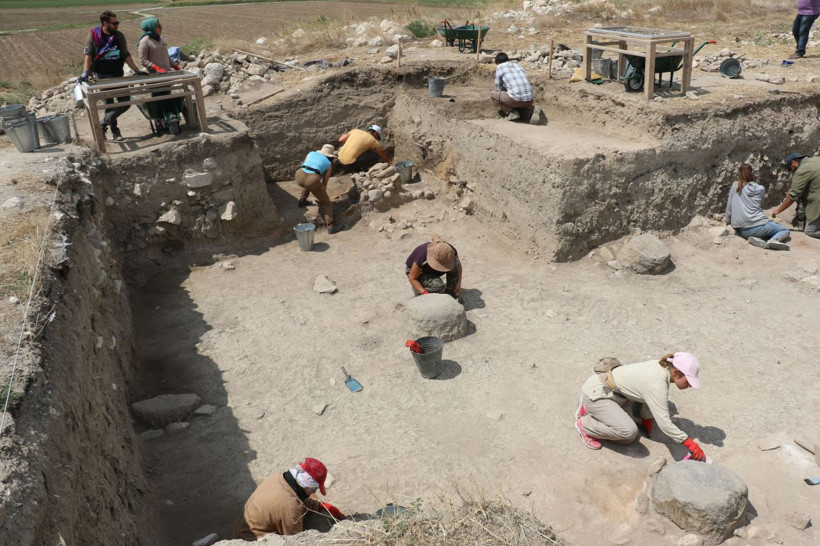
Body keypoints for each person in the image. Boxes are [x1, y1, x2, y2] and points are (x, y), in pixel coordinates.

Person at [574, 352, 707, 462]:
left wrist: (646, 419)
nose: (690, 385)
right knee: (629, 433)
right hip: (600, 393)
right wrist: (689, 443)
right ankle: (586, 424)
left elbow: (650, 397)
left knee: (628, 431)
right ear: (677, 373)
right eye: (688, 380)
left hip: (614, 392)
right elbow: (665, 423)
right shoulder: (657, 384)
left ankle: (593, 407)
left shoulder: (662, 367)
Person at [78, 10, 147, 141]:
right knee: (108, 104)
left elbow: (125, 54)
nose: (117, 25)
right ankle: (115, 132)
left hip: (117, 73)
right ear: (105, 23)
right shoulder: (93, 35)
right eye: (114, 23)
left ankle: (103, 123)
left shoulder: (119, 36)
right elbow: (88, 54)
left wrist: (136, 70)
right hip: (102, 75)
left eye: (118, 22)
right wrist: (86, 72)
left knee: (125, 102)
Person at [237, 458, 345, 540]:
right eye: (314, 489)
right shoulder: (290, 506)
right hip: (252, 540)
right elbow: (295, 540)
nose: (313, 493)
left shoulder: (278, 478)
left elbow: (298, 496)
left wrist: (320, 505)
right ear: (306, 485)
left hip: (243, 528)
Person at [724, 163, 791, 250]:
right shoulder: (760, 188)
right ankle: (773, 240)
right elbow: (758, 205)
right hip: (757, 226)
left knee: (762, 227)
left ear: (739, 173)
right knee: (784, 230)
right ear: (752, 173)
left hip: (743, 230)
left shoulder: (735, 185)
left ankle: (755, 238)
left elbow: (729, 207)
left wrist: (728, 221)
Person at [137, 18, 184, 133]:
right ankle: (159, 121)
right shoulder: (145, 41)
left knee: (167, 96)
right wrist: (155, 67)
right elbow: (143, 60)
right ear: (151, 27)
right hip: (155, 77)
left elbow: (167, 57)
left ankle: (169, 117)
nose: (161, 27)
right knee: (158, 98)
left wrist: (175, 66)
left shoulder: (161, 39)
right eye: (158, 26)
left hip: (166, 75)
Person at [295, 144, 343, 234]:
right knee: (326, 203)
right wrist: (322, 195)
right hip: (312, 180)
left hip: (299, 175)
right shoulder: (329, 164)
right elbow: (324, 183)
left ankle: (302, 199)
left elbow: (308, 166)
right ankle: (331, 225)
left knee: (308, 179)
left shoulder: (311, 153)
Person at [772, 153, 820, 238]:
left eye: (790, 168)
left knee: (810, 232)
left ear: (794, 162)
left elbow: (793, 195)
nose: (791, 171)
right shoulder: (816, 159)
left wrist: (778, 211)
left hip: (817, 202)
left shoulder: (802, 170)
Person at [491, 52, 541, 124]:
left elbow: (498, 87)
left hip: (515, 100)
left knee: (493, 94)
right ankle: (530, 112)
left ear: (498, 62)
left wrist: (505, 92)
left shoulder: (500, 67)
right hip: (529, 99)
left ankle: (511, 113)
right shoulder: (518, 66)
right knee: (521, 107)